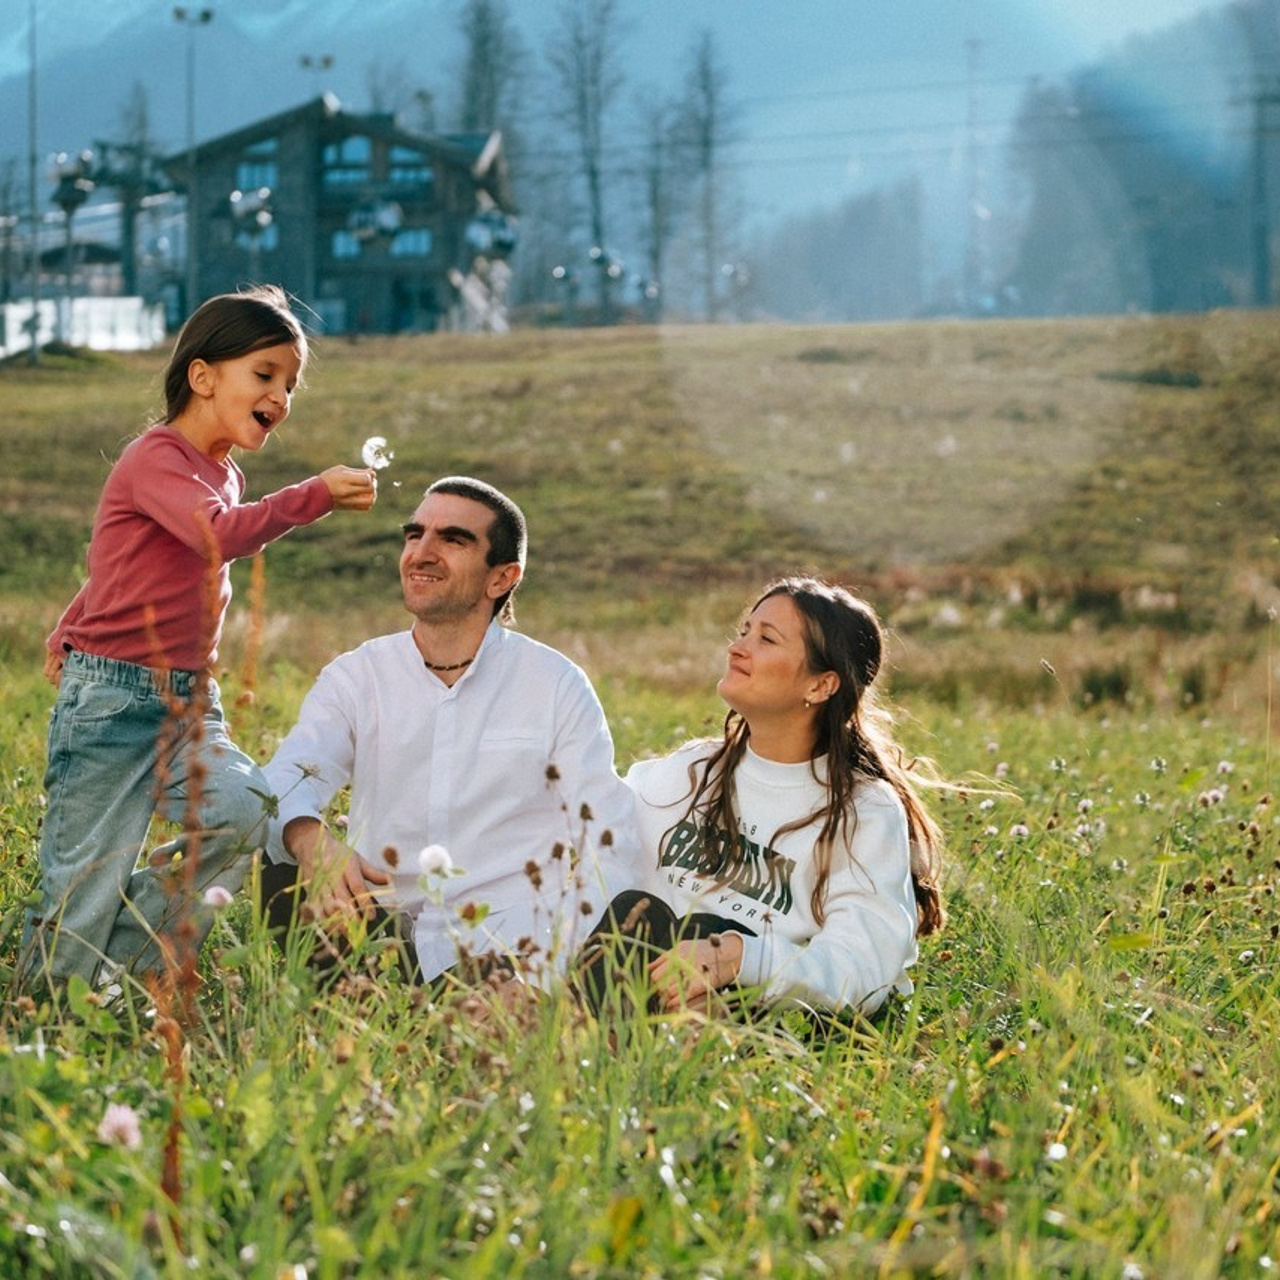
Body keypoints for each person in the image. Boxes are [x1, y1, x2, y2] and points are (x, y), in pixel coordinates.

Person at [21, 284, 378, 988]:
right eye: (266, 375)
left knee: (246, 812)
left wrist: (69, 619)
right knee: (85, 875)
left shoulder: (225, 473)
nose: (281, 396)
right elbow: (215, 537)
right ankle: (45, 1019)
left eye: (291, 384)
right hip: (113, 703)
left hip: (189, 702)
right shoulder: (155, 456)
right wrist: (312, 496)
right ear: (203, 375)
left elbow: (126, 562)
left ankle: (112, 961)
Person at [260, 475, 636, 987]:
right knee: (282, 857)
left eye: (452, 539)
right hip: (379, 935)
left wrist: (550, 973)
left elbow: (608, 840)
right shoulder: (358, 675)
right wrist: (311, 841)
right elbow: (286, 776)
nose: (422, 552)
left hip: (504, 950)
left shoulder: (555, 686)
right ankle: (350, 1022)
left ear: (501, 578)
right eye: (415, 535)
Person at [580, 576, 945, 1020]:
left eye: (766, 639)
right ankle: (587, 1051)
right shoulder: (688, 773)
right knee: (635, 915)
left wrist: (737, 955)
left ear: (821, 685)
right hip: (642, 991)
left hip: (765, 1019)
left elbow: (866, 970)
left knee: (710, 929)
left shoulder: (862, 810)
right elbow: (587, 860)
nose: (737, 649)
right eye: (743, 632)